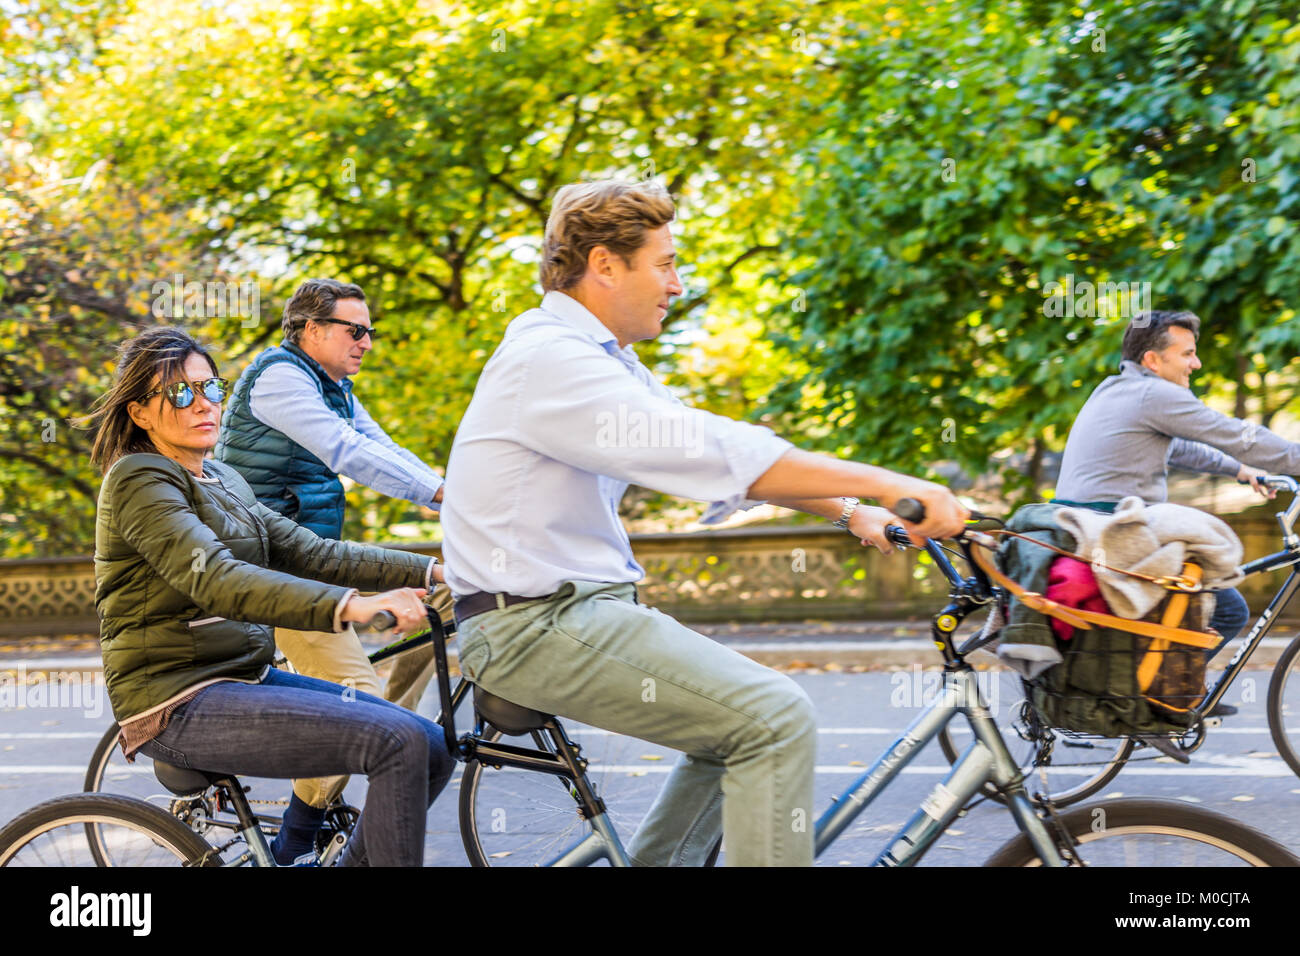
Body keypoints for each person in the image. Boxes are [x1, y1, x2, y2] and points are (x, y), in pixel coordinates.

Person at [440, 179, 968, 866]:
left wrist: (849, 509)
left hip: (570, 616)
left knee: (740, 729)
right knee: (774, 720)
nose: (678, 283)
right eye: (665, 263)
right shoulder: (550, 359)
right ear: (605, 264)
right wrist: (893, 483)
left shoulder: (600, 360)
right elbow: (704, 449)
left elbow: (710, 448)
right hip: (535, 626)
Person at [86, 326, 453, 866]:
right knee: (395, 742)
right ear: (140, 412)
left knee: (434, 745)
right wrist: (350, 606)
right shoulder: (139, 480)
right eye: (181, 393)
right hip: (177, 700)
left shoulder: (223, 479)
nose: (203, 403)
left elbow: (314, 553)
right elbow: (219, 579)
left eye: (211, 388)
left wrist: (437, 571)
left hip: (241, 676)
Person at [215, 278, 451, 861]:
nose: (367, 341)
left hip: (314, 558)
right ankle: (293, 842)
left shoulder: (335, 387)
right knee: (352, 708)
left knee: (444, 607)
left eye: (370, 330)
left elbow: (384, 448)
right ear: (312, 330)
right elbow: (346, 452)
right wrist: (443, 494)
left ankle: (396, 728)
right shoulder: (280, 377)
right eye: (356, 329)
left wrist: (457, 494)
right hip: (272, 571)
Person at [1056, 310, 1300, 712]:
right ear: (1153, 360)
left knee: (1195, 602)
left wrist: (1240, 471)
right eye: (1187, 353)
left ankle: (1159, 691)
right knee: (1229, 609)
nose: (1196, 363)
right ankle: (1155, 698)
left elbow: (1180, 447)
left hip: (1088, 527)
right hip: (1115, 535)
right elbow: (1239, 436)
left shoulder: (1118, 389)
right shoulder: (1155, 395)